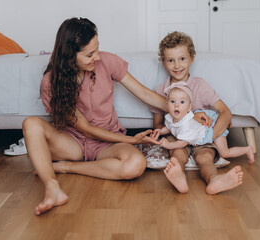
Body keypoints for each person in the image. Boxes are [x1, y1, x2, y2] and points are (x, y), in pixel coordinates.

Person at [22, 18, 209, 215]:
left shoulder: (107, 61)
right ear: (70, 56)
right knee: (31, 124)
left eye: (97, 49)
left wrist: (190, 114)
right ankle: (52, 186)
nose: (97, 57)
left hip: (107, 143)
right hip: (72, 143)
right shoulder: (51, 82)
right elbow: (85, 128)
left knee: (136, 165)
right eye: (89, 54)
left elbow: (144, 93)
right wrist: (132, 139)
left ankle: (67, 167)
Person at [150, 31, 251, 194]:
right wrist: (162, 131)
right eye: (170, 60)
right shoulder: (160, 90)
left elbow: (225, 112)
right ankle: (179, 177)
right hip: (177, 135)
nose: (177, 66)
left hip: (201, 135)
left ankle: (214, 180)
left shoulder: (200, 85)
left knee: (205, 158)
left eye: (182, 59)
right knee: (178, 155)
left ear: (192, 58)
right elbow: (158, 124)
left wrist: (212, 134)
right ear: (163, 62)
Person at [152, 82, 255, 165]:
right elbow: (170, 127)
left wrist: (169, 145)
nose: (177, 105)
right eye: (172, 101)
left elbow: (182, 143)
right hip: (203, 130)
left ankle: (247, 150)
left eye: (182, 102)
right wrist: (160, 131)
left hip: (211, 129)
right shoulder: (171, 118)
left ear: (189, 108)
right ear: (167, 104)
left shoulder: (186, 124)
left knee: (224, 153)